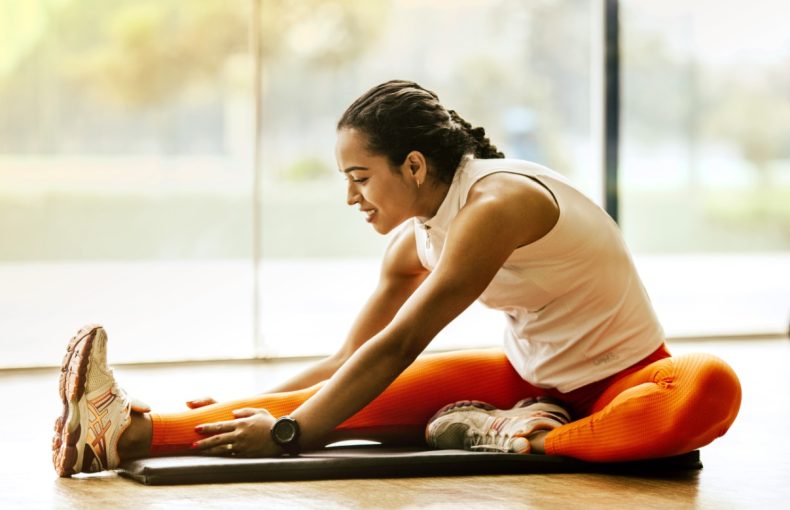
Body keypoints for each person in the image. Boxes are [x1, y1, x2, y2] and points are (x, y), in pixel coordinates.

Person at [52, 80, 741, 477]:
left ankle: (522, 436)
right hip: (527, 381)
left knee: (712, 386)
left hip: (628, 382)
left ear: (413, 166)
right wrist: (250, 405)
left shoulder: (498, 206)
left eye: (360, 178)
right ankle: (115, 432)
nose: (352, 197)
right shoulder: (414, 241)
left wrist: (294, 434)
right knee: (331, 396)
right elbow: (349, 363)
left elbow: (405, 340)